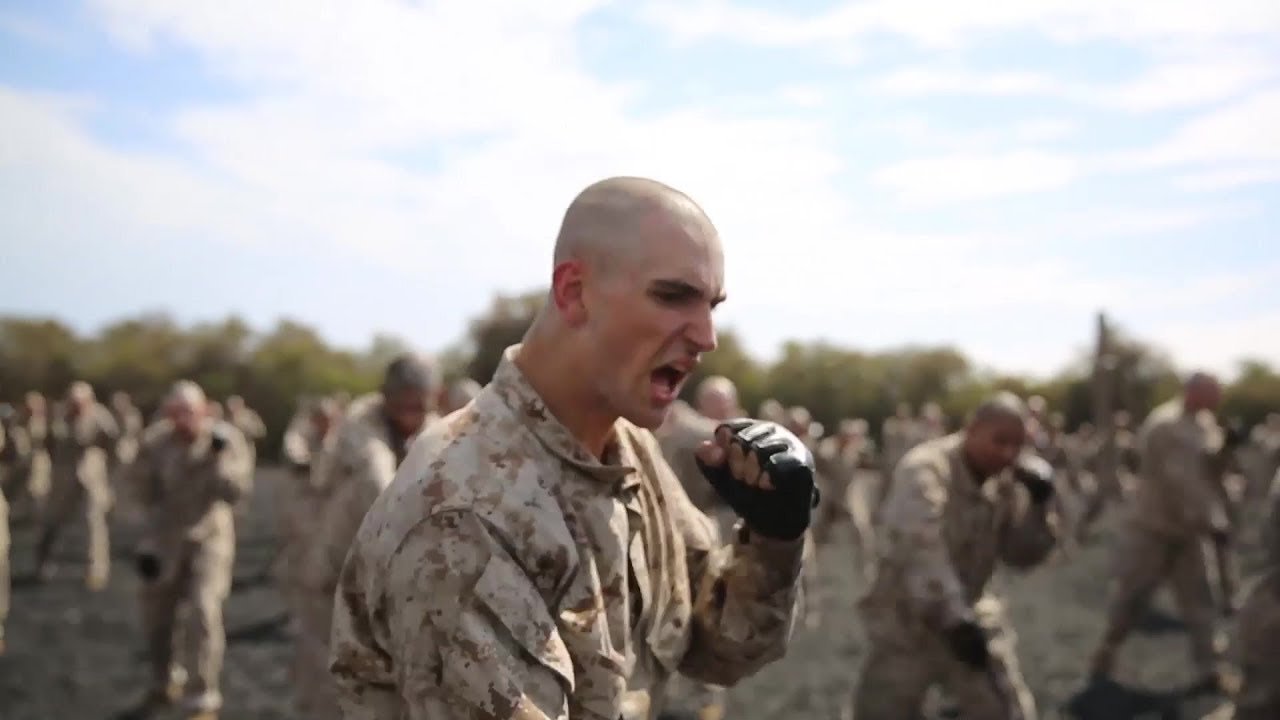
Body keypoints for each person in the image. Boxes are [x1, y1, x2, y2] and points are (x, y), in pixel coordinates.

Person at [328, 176, 814, 720]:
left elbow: (720, 645)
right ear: (573, 293)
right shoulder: (465, 510)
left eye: (711, 306)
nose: (706, 337)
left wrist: (775, 535)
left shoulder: (625, 450)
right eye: (673, 296)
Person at [852, 392, 1058, 719]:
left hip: (972, 614)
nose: (1008, 453)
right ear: (972, 429)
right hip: (908, 621)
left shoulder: (1004, 480)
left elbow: (1021, 556)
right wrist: (955, 619)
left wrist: (1039, 507)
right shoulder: (926, 469)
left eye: (1017, 444)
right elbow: (920, 547)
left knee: (1007, 711)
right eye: (999, 441)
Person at [293, 355, 440, 720]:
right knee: (331, 681)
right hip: (336, 573)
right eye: (403, 399)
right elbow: (381, 486)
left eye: (418, 401)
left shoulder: (437, 430)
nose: (411, 409)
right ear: (387, 397)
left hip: (393, 581)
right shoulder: (359, 430)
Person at [1090, 372, 1239, 695]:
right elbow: (1178, 481)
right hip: (1154, 528)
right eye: (1212, 392)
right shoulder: (1166, 425)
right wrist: (1211, 521)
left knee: (1201, 599)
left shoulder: (1205, 423)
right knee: (1133, 597)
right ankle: (1105, 654)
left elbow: (1208, 472)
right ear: (1193, 391)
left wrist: (1226, 449)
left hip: (1189, 533)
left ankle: (1210, 668)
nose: (1218, 399)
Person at [129, 380, 254, 720]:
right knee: (157, 618)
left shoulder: (227, 440)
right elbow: (139, 492)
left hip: (210, 539)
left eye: (192, 412)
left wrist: (215, 459)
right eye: (177, 413)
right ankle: (163, 680)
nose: (185, 420)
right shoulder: (154, 443)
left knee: (203, 610)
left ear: (206, 411)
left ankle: (202, 697)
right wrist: (147, 539)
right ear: (168, 414)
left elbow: (236, 491)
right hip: (164, 539)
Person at [35, 381, 119, 589]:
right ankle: (43, 563)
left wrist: (103, 466)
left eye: (81, 402)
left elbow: (113, 442)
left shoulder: (100, 416)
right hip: (63, 475)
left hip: (91, 475)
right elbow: (47, 443)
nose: (77, 406)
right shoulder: (59, 417)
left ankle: (96, 570)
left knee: (94, 522)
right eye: (74, 402)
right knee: (52, 520)